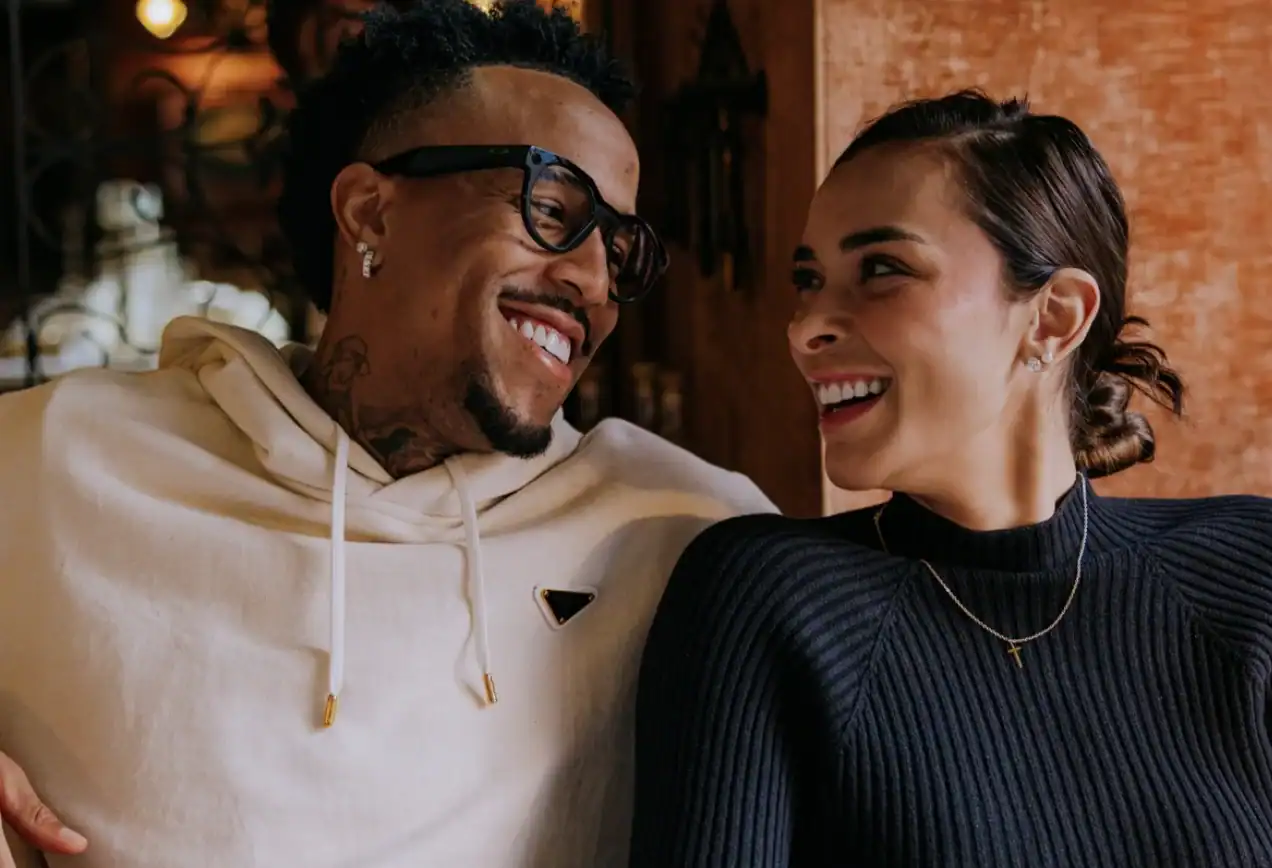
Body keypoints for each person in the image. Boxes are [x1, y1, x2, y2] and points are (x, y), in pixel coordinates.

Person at [0, 2, 775, 866]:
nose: (593, 282)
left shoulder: (684, 531)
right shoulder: (55, 458)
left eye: (620, 251)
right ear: (370, 212)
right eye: (552, 207)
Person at [629, 90, 1272, 866]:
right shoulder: (766, 601)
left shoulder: (1248, 576)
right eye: (809, 280)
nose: (805, 328)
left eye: (881, 270)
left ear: (1053, 317)